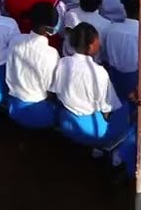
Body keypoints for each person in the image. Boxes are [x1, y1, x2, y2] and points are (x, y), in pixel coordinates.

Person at [52, 22, 129, 151]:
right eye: (98, 40)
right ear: (91, 45)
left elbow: (55, 90)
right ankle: (109, 150)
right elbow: (107, 109)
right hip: (92, 131)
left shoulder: (62, 62)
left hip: (66, 121)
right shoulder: (98, 72)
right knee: (126, 107)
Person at [4, 3, 60, 129]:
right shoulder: (51, 54)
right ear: (47, 29)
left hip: (13, 104)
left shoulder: (16, 40)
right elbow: (52, 88)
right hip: (39, 111)